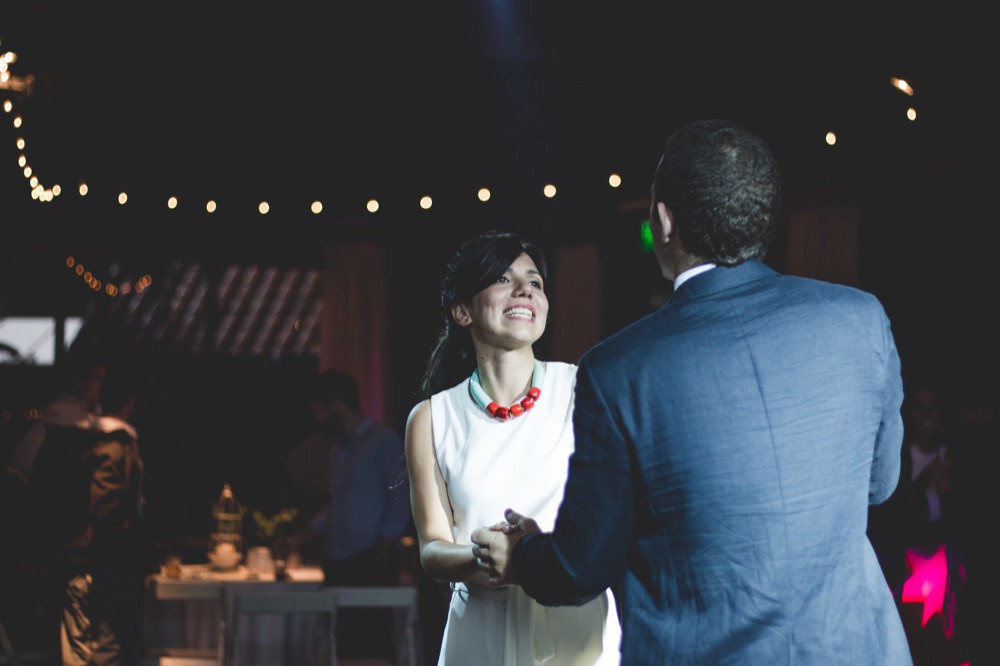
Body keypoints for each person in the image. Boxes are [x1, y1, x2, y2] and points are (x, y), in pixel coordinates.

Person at [472, 120, 911, 664]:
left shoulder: (618, 369)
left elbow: (583, 567)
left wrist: (522, 555)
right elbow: (880, 483)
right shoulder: (861, 319)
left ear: (663, 221)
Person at [405, 231, 621, 665]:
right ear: (462, 310)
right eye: (503, 279)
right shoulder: (431, 418)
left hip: (575, 628)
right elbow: (432, 549)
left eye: (535, 282)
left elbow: (616, 518)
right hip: (480, 631)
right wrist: (488, 558)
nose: (525, 289)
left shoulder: (586, 389)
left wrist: (531, 558)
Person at [306, 370, 411, 660]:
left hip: (371, 559)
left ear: (337, 406)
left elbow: (400, 498)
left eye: (320, 412)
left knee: (373, 639)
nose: (318, 420)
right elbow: (338, 503)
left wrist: (386, 545)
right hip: (338, 558)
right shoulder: (338, 448)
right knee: (342, 640)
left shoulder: (382, 442)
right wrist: (305, 534)